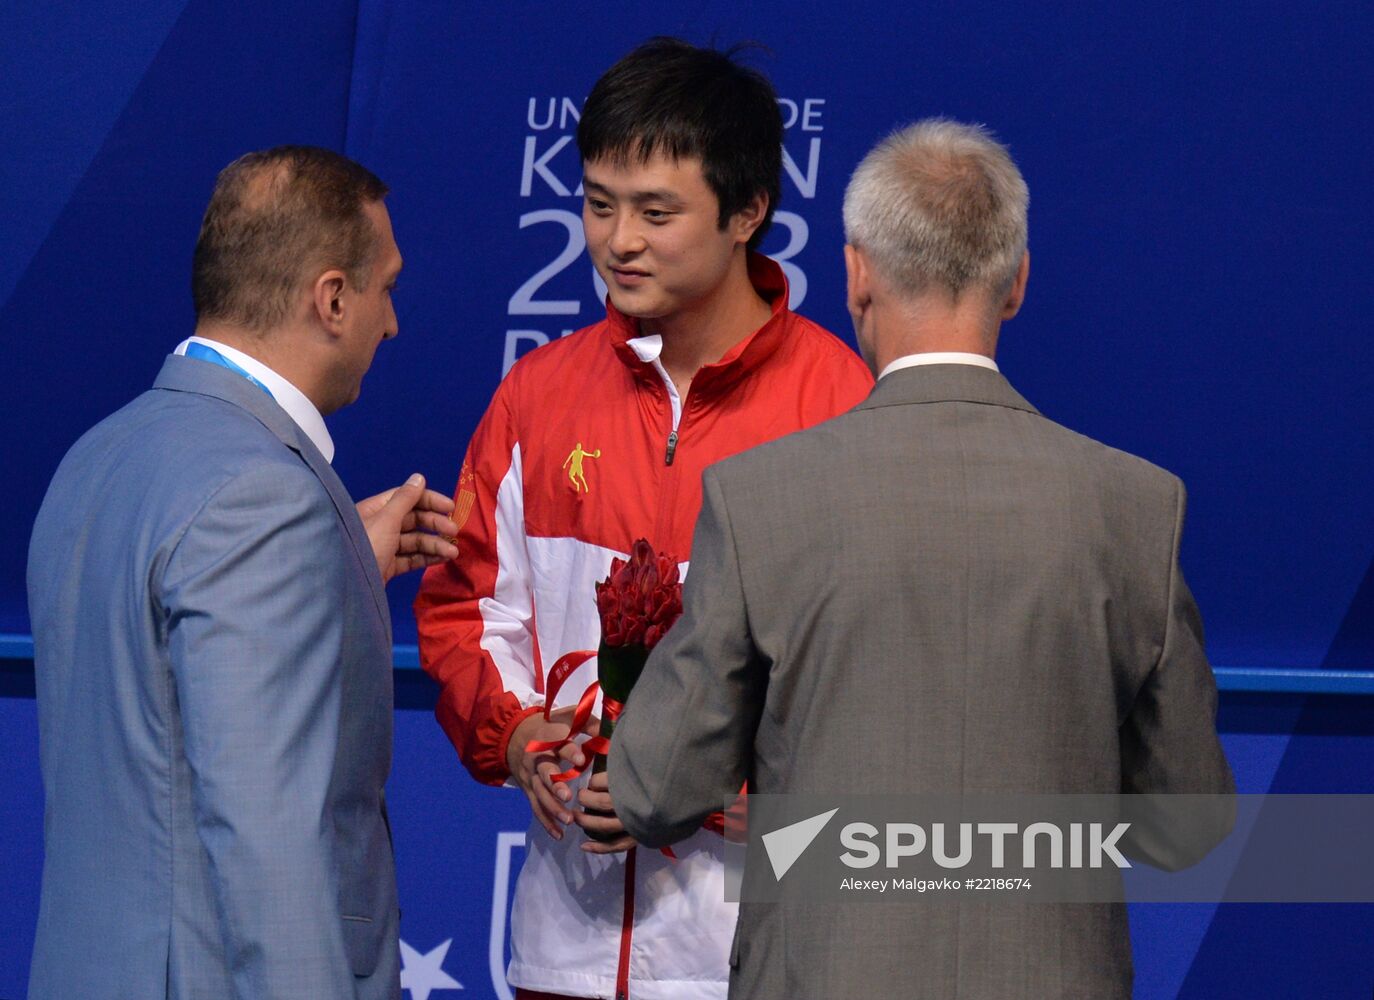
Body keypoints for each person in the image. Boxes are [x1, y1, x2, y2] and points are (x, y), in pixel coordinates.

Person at [608, 119, 1236, 998]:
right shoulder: (1136, 507)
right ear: (1015, 284)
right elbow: (1188, 827)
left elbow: (656, 787)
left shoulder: (761, 499)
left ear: (856, 275)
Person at [414, 38, 873, 1000]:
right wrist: (519, 740)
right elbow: (467, 613)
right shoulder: (538, 395)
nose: (617, 239)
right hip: (564, 952)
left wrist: (788, 796)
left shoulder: (840, 403)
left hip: (760, 955)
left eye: (657, 211)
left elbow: (885, 666)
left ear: (748, 212)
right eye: (597, 202)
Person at [27, 145, 458, 1000]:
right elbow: (269, 842)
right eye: (387, 289)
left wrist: (337, 572)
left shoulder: (96, 453)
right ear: (332, 299)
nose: (393, 323)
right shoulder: (265, 498)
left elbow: (161, 714)